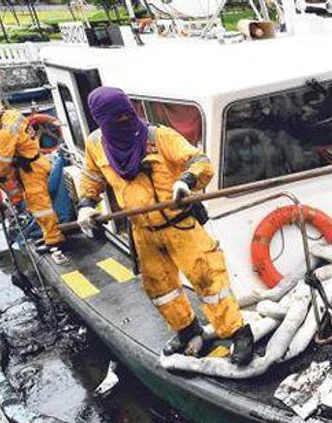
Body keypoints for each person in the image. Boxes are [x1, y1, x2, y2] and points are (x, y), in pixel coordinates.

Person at [76, 87, 254, 366]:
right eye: (116, 118)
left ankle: (237, 332)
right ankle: (186, 330)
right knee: (160, 288)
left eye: (127, 114)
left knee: (209, 279)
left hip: (180, 225)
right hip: (143, 232)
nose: (125, 121)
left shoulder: (159, 137)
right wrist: (86, 204)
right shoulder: (96, 144)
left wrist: (185, 181)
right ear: (102, 121)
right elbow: (92, 177)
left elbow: (200, 162)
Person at [0, 101, 67, 262]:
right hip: (36, 162)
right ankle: (48, 234)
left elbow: (4, 160)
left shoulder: (6, 132)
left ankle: (54, 240)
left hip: (31, 170)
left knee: (41, 206)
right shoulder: (11, 115)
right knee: (37, 204)